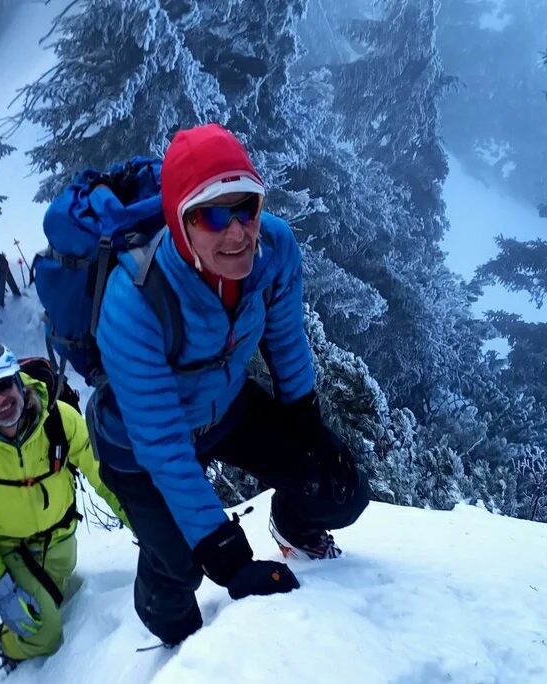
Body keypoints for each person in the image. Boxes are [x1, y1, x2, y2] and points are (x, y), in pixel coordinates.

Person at [86, 123, 370, 647]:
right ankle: (176, 646)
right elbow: (163, 446)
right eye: (213, 215)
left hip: (226, 406)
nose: (238, 232)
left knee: (337, 486)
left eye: (247, 208)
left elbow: (285, 340)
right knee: (182, 565)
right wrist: (228, 555)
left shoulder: (276, 248)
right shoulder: (134, 299)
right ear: (179, 221)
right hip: (139, 443)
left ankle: (296, 527)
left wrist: (308, 427)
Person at [0, 339, 128, 669]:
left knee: (55, 596)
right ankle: (9, 646)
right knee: (46, 631)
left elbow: (104, 475)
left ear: (18, 381)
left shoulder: (60, 420)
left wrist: (141, 522)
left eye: (3, 386)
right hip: (13, 550)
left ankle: (38, 605)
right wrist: (1, 590)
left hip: (61, 540)